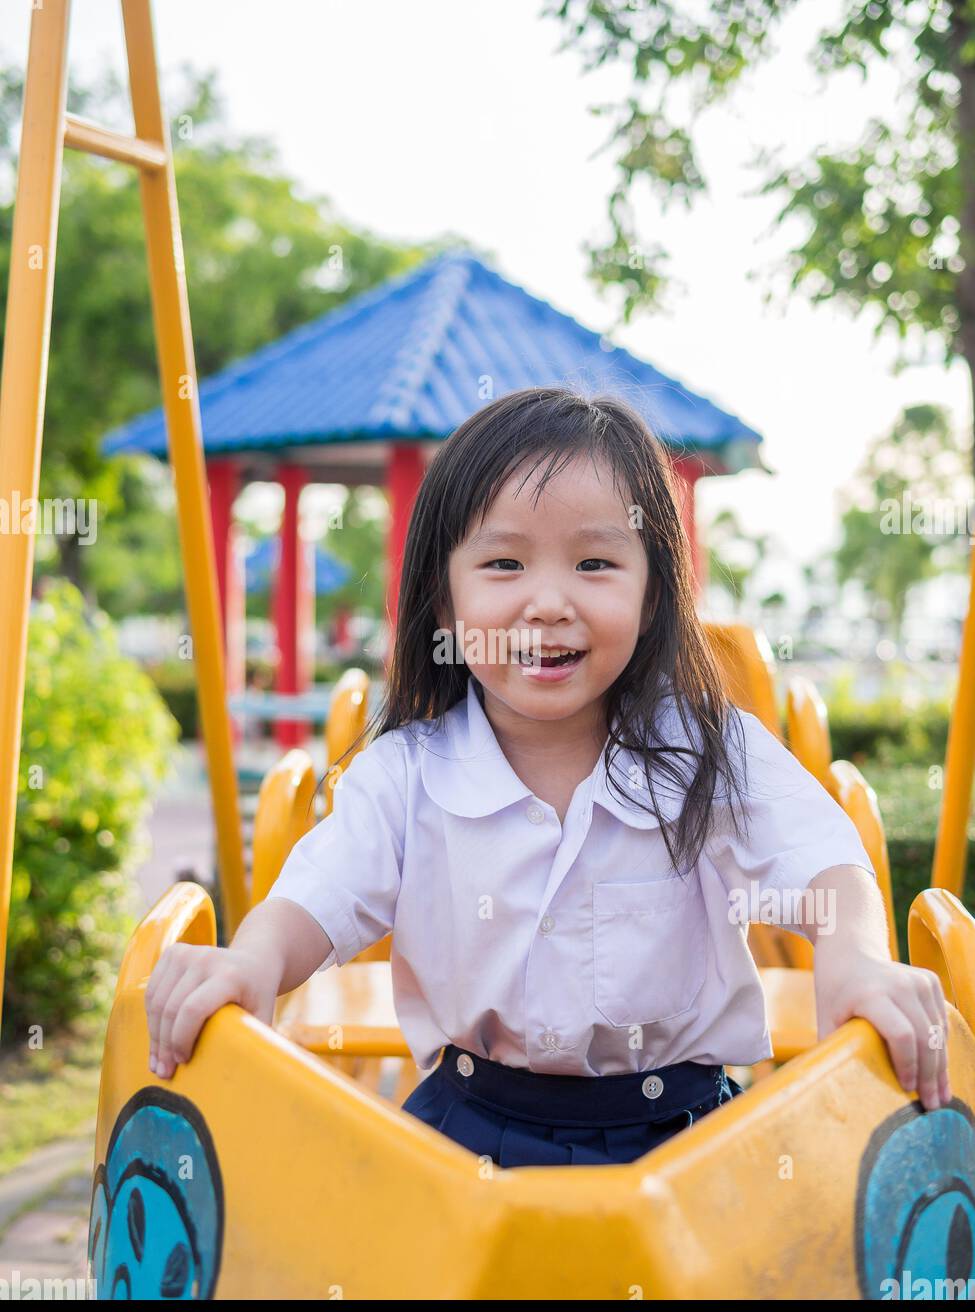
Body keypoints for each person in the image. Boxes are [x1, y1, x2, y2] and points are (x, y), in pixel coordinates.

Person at [144, 387, 951, 1169]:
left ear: (652, 592)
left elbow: (816, 857)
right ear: (444, 598)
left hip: (688, 1142)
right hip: (467, 1136)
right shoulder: (406, 775)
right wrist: (251, 961)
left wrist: (853, 956)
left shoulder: (710, 752)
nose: (548, 602)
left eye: (595, 562)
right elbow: (319, 894)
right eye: (502, 563)